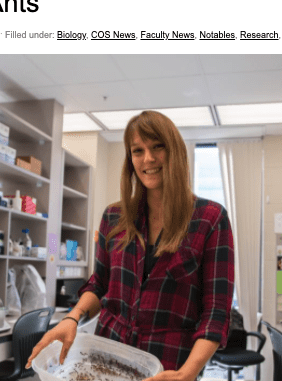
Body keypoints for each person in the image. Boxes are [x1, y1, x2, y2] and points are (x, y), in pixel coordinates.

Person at [26, 110, 235, 381]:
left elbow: (216, 312)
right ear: (130, 159)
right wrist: (72, 317)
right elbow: (99, 283)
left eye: (157, 146)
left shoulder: (210, 219)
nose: (148, 158)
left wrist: (187, 373)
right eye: (138, 150)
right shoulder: (114, 217)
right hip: (107, 362)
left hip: (168, 367)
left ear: (175, 151)